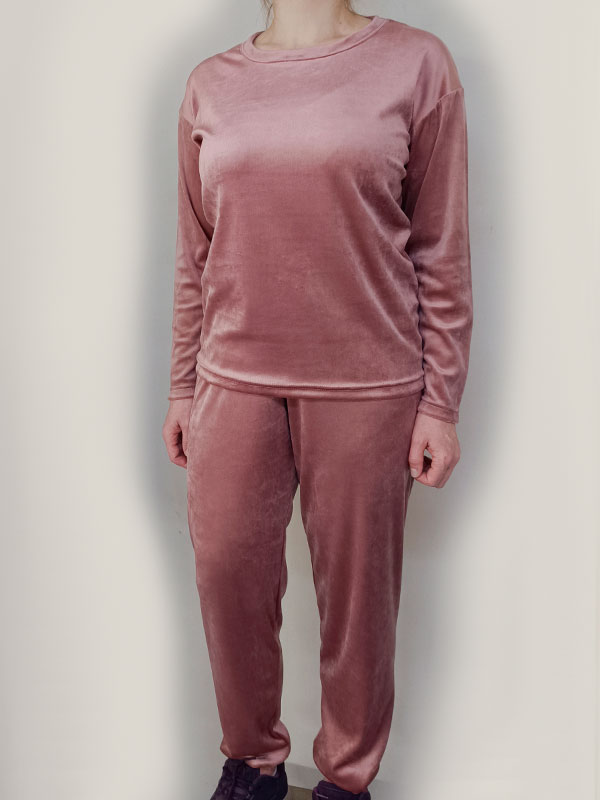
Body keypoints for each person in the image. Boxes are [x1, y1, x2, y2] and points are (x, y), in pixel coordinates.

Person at [162, 1, 473, 798]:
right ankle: (252, 765)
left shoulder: (417, 64)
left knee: (358, 606)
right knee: (227, 578)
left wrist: (441, 401)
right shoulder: (209, 84)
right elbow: (194, 256)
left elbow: (441, 247)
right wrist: (183, 384)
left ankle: (346, 780)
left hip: (369, 383)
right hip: (233, 378)